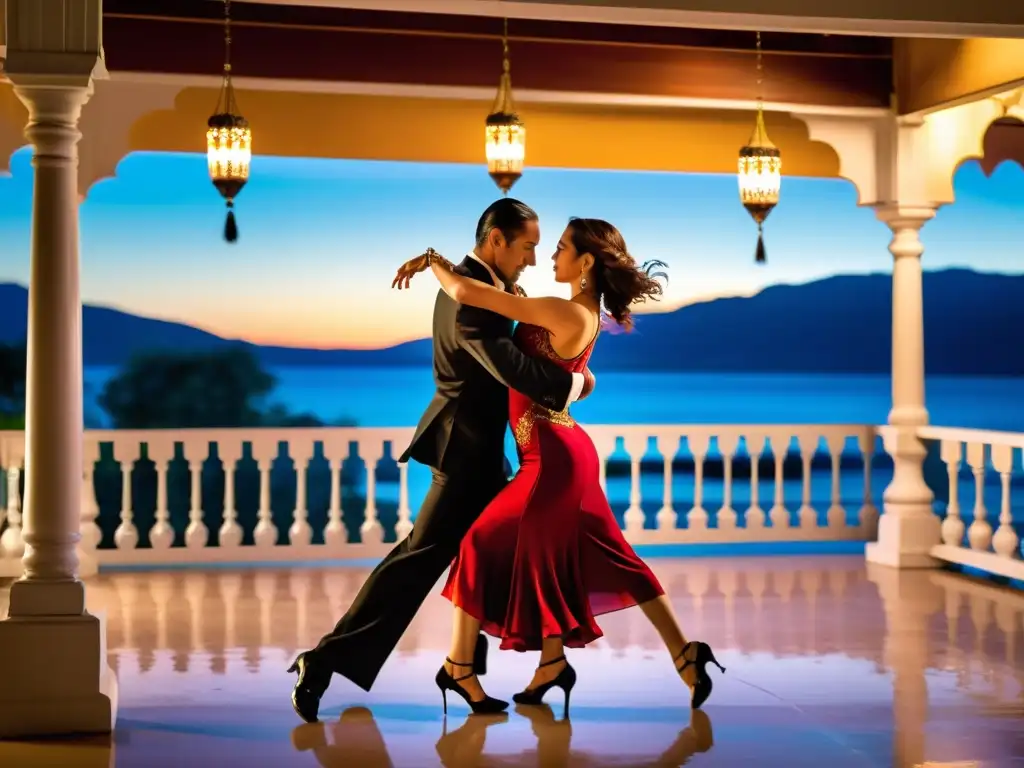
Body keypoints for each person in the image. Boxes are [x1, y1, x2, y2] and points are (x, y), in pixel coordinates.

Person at [391, 218, 724, 718]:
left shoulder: (563, 310)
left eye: (562, 248)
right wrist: (580, 382)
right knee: (596, 555)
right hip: (561, 448)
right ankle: (653, 656)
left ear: (586, 262)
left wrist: (432, 260)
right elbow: (579, 377)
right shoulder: (582, 313)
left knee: (480, 543)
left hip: (549, 460)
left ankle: (459, 665)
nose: (550, 257)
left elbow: (466, 291)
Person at [288, 198, 595, 723]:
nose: (532, 258)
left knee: (497, 551)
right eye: (526, 246)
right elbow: (511, 367)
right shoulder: (472, 299)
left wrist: (437, 262)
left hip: (483, 451)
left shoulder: (483, 285)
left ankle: (473, 670)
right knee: (418, 560)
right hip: (463, 448)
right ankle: (321, 661)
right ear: (496, 239)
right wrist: (575, 383)